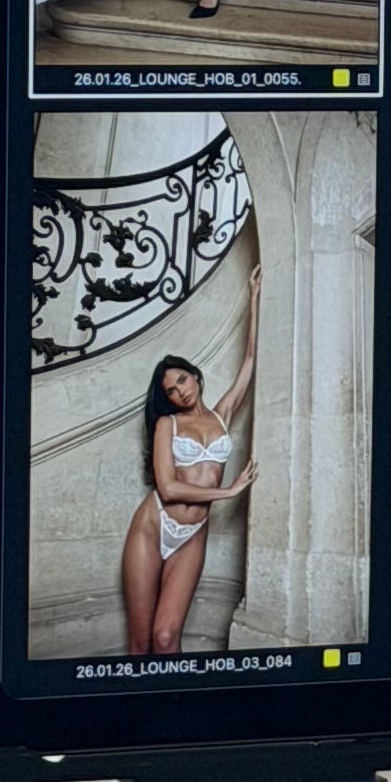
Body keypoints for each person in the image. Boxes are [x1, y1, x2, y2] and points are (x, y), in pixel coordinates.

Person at [119, 278, 260, 653]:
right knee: (140, 642)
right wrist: (228, 491)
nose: (180, 390)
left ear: (195, 376)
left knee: (166, 637)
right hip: (154, 526)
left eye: (182, 380)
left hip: (193, 532)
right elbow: (167, 488)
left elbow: (248, 362)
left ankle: (174, 694)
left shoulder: (222, 414)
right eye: (171, 390)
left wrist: (253, 299)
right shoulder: (167, 424)